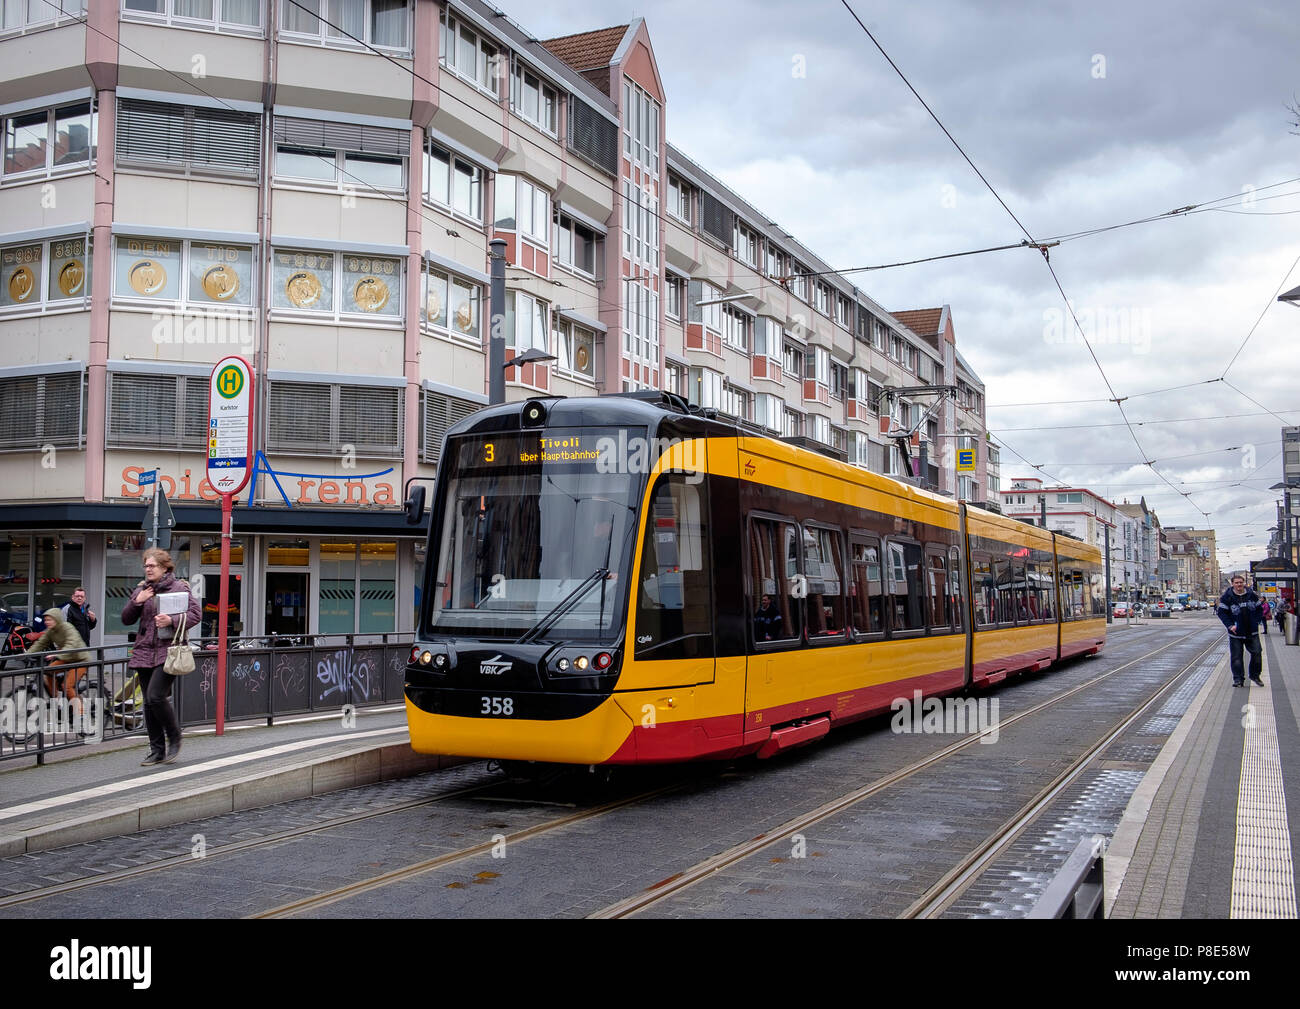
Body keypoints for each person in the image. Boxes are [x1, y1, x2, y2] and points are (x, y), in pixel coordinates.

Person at [121, 548, 200, 766]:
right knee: (147, 703)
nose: (147, 569)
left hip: (169, 650)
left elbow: (196, 614)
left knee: (156, 696)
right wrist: (138, 600)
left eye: (152, 565)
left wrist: (171, 620)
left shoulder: (179, 587)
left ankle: (175, 737)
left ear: (164, 567)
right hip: (144, 650)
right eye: (146, 565)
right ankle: (157, 750)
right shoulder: (142, 590)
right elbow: (126, 619)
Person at [24, 608, 91, 732]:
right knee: (48, 671)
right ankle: (57, 701)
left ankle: (81, 714)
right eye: (45, 620)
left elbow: (72, 643)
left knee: (67, 686)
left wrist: (57, 654)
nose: (47, 622)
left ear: (57, 619)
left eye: (49, 619)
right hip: (65, 658)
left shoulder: (67, 628)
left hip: (80, 659)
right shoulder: (50, 632)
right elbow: (40, 644)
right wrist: (25, 655)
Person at [1215, 575, 1265, 687]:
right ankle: (1238, 679)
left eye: (1241, 582)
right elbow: (1222, 613)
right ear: (1232, 584)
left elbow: (1259, 609)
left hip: (1252, 631)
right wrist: (1230, 625)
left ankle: (1255, 675)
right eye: (1236, 583)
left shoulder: (1251, 595)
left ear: (1244, 583)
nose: (1239, 585)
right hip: (1236, 633)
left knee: (1257, 653)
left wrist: (1256, 621)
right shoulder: (1227, 597)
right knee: (1236, 657)